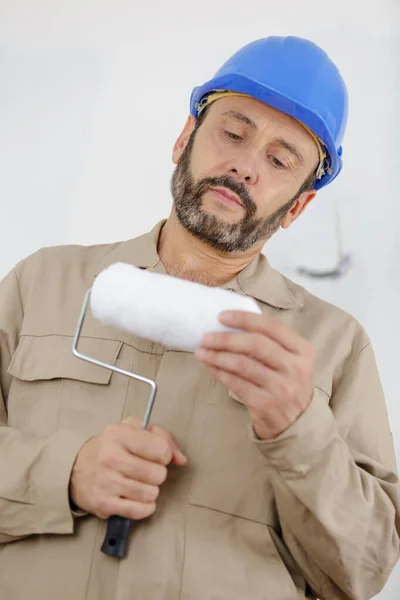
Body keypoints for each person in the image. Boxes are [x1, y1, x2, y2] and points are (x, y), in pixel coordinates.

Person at [0, 35, 398, 600]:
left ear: (299, 206)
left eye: (280, 160)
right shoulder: (41, 283)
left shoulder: (336, 347)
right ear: (185, 137)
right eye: (233, 133)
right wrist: (62, 471)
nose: (245, 166)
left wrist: (299, 430)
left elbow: (364, 570)